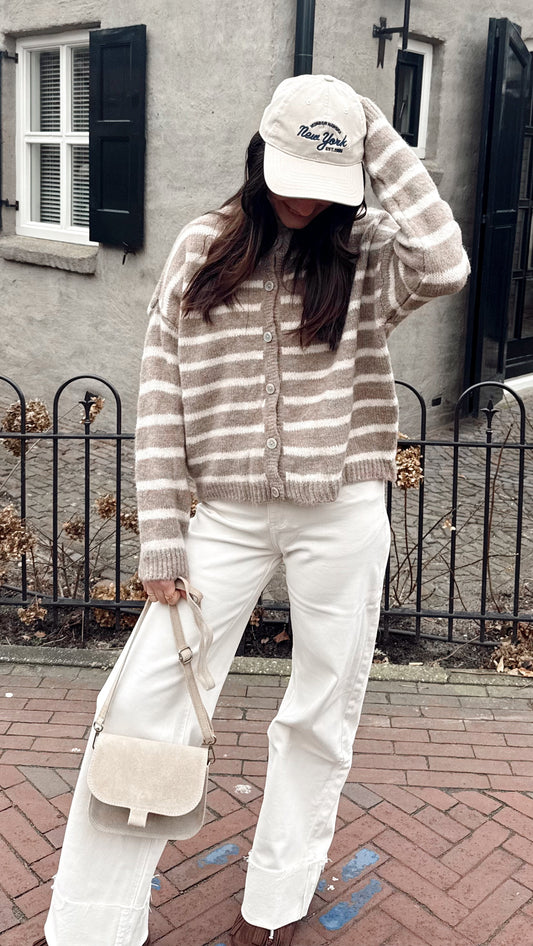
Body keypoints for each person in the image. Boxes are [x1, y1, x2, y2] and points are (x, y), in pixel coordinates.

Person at [36, 74, 469, 946]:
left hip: (341, 511)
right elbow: (160, 391)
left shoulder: (366, 250)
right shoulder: (202, 245)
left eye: (327, 181)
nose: (308, 199)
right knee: (144, 702)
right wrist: (162, 534)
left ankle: (274, 902)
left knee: (319, 713)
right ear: (259, 155)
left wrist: (368, 133)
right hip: (224, 518)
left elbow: (444, 262)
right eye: (294, 173)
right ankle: (89, 923)